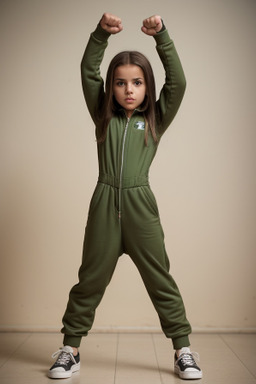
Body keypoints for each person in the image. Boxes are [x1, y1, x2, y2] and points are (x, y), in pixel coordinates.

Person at [48, 12, 202, 381]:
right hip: (103, 205)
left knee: (160, 278)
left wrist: (161, 37)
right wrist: (100, 35)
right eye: (120, 83)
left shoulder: (155, 120)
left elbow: (178, 82)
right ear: (111, 88)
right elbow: (88, 70)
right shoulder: (104, 116)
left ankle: (183, 350)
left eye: (136, 83)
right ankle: (70, 349)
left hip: (141, 207)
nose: (128, 90)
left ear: (148, 87)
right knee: (90, 278)